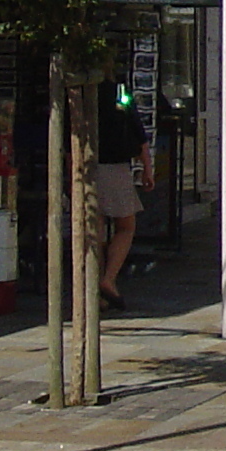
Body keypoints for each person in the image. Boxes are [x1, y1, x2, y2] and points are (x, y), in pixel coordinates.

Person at [93, 86, 153, 312]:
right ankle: (108, 279)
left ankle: (97, 292)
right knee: (126, 226)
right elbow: (139, 135)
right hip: (115, 167)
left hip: (87, 165)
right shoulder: (119, 93)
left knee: (95, 231)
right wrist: (147, 169)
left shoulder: (77, 93)